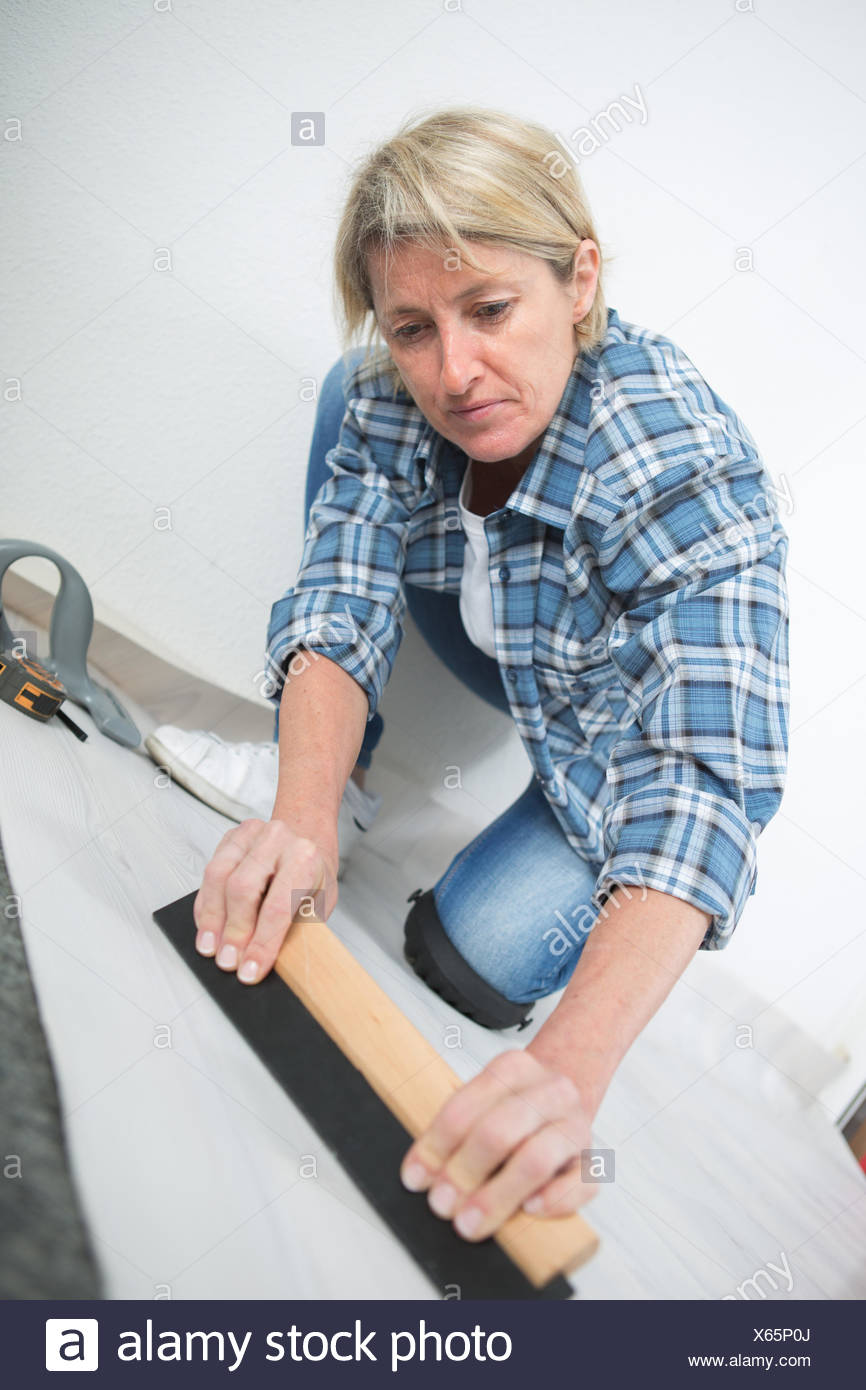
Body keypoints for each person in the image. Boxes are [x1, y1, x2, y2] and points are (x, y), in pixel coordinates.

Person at [147, 105, 790, 1246]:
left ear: (577, 281)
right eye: (412, 326)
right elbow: (341, 592)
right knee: (352, 396)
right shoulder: (396, 387)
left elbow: (703, 774)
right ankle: (343, 785)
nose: (453, 370)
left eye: (490, 310)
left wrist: (566, 1066)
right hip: (496, 639)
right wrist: (302, 817)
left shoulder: (682, 463)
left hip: (605, 739)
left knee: (465, 964)